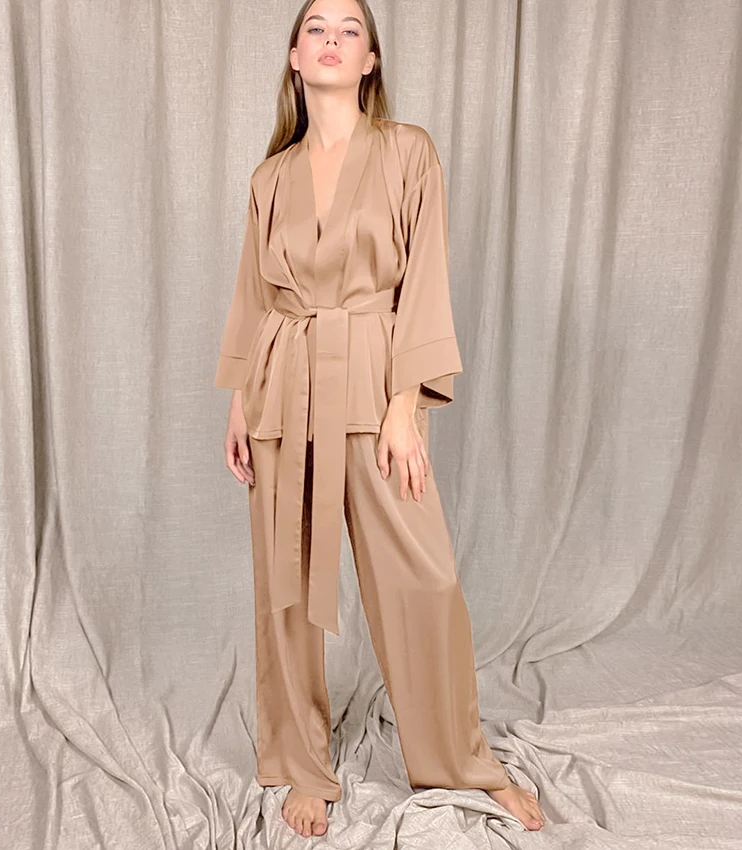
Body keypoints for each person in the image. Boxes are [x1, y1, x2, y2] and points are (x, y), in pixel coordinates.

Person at [214, 0, 545, 838]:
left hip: (373, 378)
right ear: (295, 56)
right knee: (285, 586)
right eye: (316, 29)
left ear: (370, 61)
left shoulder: (407, 152)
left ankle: (461, 759)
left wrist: (405, 402)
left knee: (421, 578)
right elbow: (254, 297)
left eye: (349, 30)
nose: (331, 40)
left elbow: (423, 277)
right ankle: (303, 765)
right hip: (282, 383)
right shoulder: (270, 178)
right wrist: (240, 401)